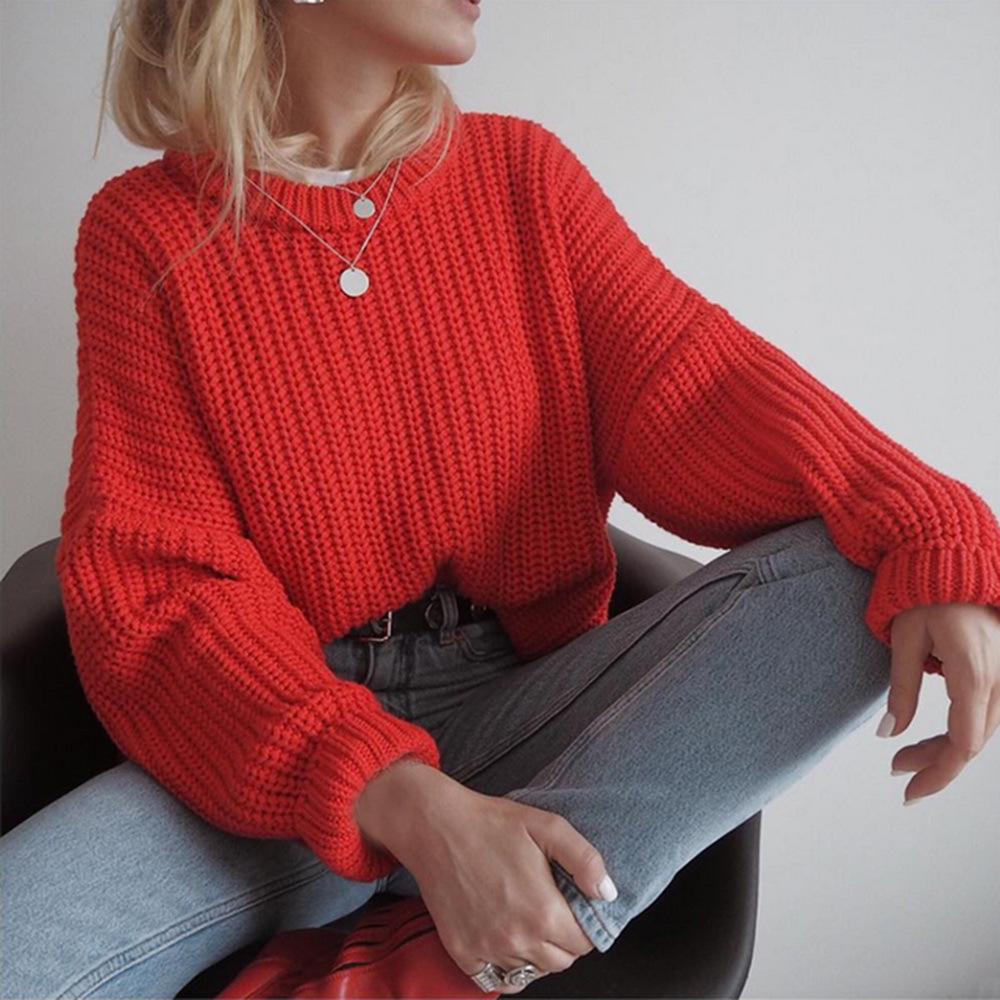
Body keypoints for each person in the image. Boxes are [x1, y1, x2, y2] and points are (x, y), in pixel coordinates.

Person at [3, 0, 999, 997]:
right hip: (290, 746)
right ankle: (453, 932)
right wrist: (394, 792)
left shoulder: (520, 177)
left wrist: (932, 530)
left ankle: (477, 942)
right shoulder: (146, 234)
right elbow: (160, 583)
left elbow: (698, 383)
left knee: (858, 571)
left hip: (536, 715)